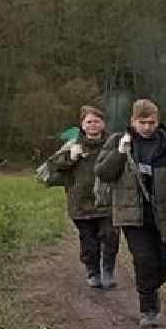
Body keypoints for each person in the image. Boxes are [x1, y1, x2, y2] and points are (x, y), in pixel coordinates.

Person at [95, 99, 166, 329]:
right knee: (144, 259)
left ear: (158, 122)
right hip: (132, 216)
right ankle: (148, 308)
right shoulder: (118, 143)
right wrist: (120, 153)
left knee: (163, 262)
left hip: (162, 216)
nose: (147, 127)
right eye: (142, 122)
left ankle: (151, 287)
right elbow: (103, 172)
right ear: (133, 121)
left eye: (151, 122)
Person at [41, 105, 120, 290]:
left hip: (108, 200)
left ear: (103, 123)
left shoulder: (113, 145)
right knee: (89, 241)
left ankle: (108, 271)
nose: (93, 125)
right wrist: (71, 157)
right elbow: (52, 166)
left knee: (110, 237)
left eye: (97, 121)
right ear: (82, 125)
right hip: (80, 202)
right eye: (89, 122)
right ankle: (93, 272)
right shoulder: (72, 145)